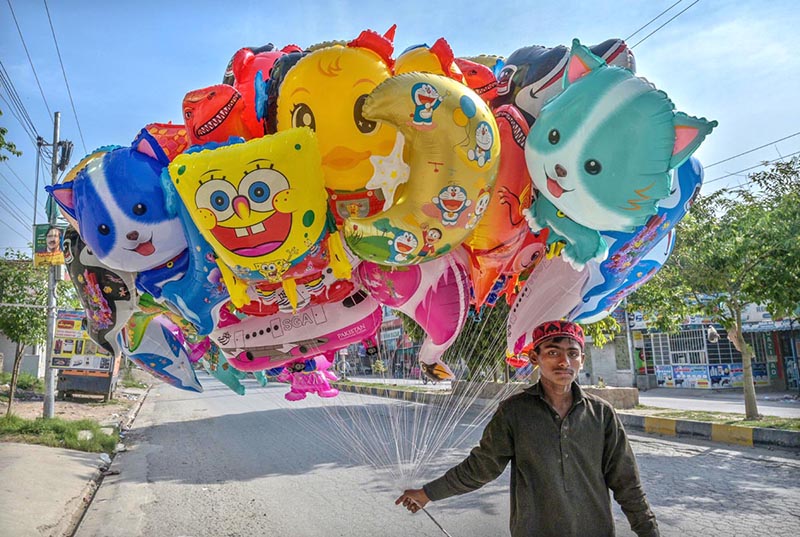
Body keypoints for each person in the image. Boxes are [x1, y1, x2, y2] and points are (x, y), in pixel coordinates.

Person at [395, 320, 659, 537]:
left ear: (582, 359)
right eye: (553, 352)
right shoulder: (514, 411)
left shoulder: (601, 414)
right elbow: (480, 468)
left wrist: (649, 532)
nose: (564, 362)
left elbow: (627, 483)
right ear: (535, 357)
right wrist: (428, 493)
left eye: (572, 353)